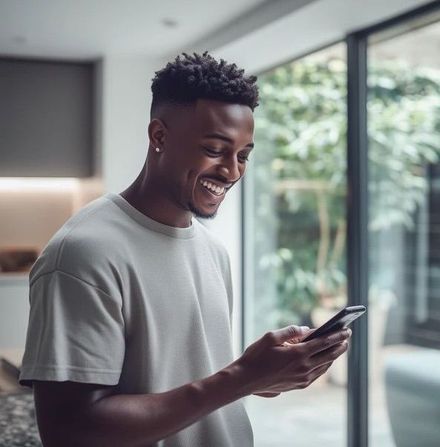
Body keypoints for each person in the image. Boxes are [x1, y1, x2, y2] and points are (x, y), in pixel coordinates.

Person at [18, 52, 351, 447]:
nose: (232, 171)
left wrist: (260, 374)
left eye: (243, 155)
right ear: (159, 136)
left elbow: (184, 382)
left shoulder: (213, 250)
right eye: (215, 149)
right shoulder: (83, 254)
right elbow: (72, 431)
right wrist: (241, 377)